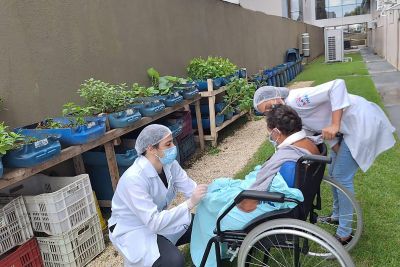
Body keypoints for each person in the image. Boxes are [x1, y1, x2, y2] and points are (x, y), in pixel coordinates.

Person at [253, 79, 396, 244]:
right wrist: (336, 148)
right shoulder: (288, 113)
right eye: (266, 112)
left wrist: (335, 124)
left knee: (342, 178)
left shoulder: (296, 99)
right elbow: (318, 127)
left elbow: (337, 85)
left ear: (276, 97)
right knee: (335, 173)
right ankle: (337, 216)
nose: (271, 112)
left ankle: (345, 234)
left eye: (270, 107)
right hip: (346, 130)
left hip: (360, 122)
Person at [191, 105, 321, 267]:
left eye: (269, 133)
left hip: (274, 204)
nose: (270, 137)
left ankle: (208, 258)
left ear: (276, 133)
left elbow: (248, 204)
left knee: (208, 202)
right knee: (218, 186)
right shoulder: (311, 145)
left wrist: (240, 195)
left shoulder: (281, 158)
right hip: (293, 200)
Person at [108, 124, 208, 267]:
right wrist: (189, 203)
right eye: (168, 144)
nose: (173, 147)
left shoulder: (169, 164)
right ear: (150, 148)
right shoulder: (134, 179)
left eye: (172, 142)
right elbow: (154, 223)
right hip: (132, 229)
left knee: (202, 223)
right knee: (173, 262)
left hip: (155, 219)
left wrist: (214, 195)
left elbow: (191, 188)